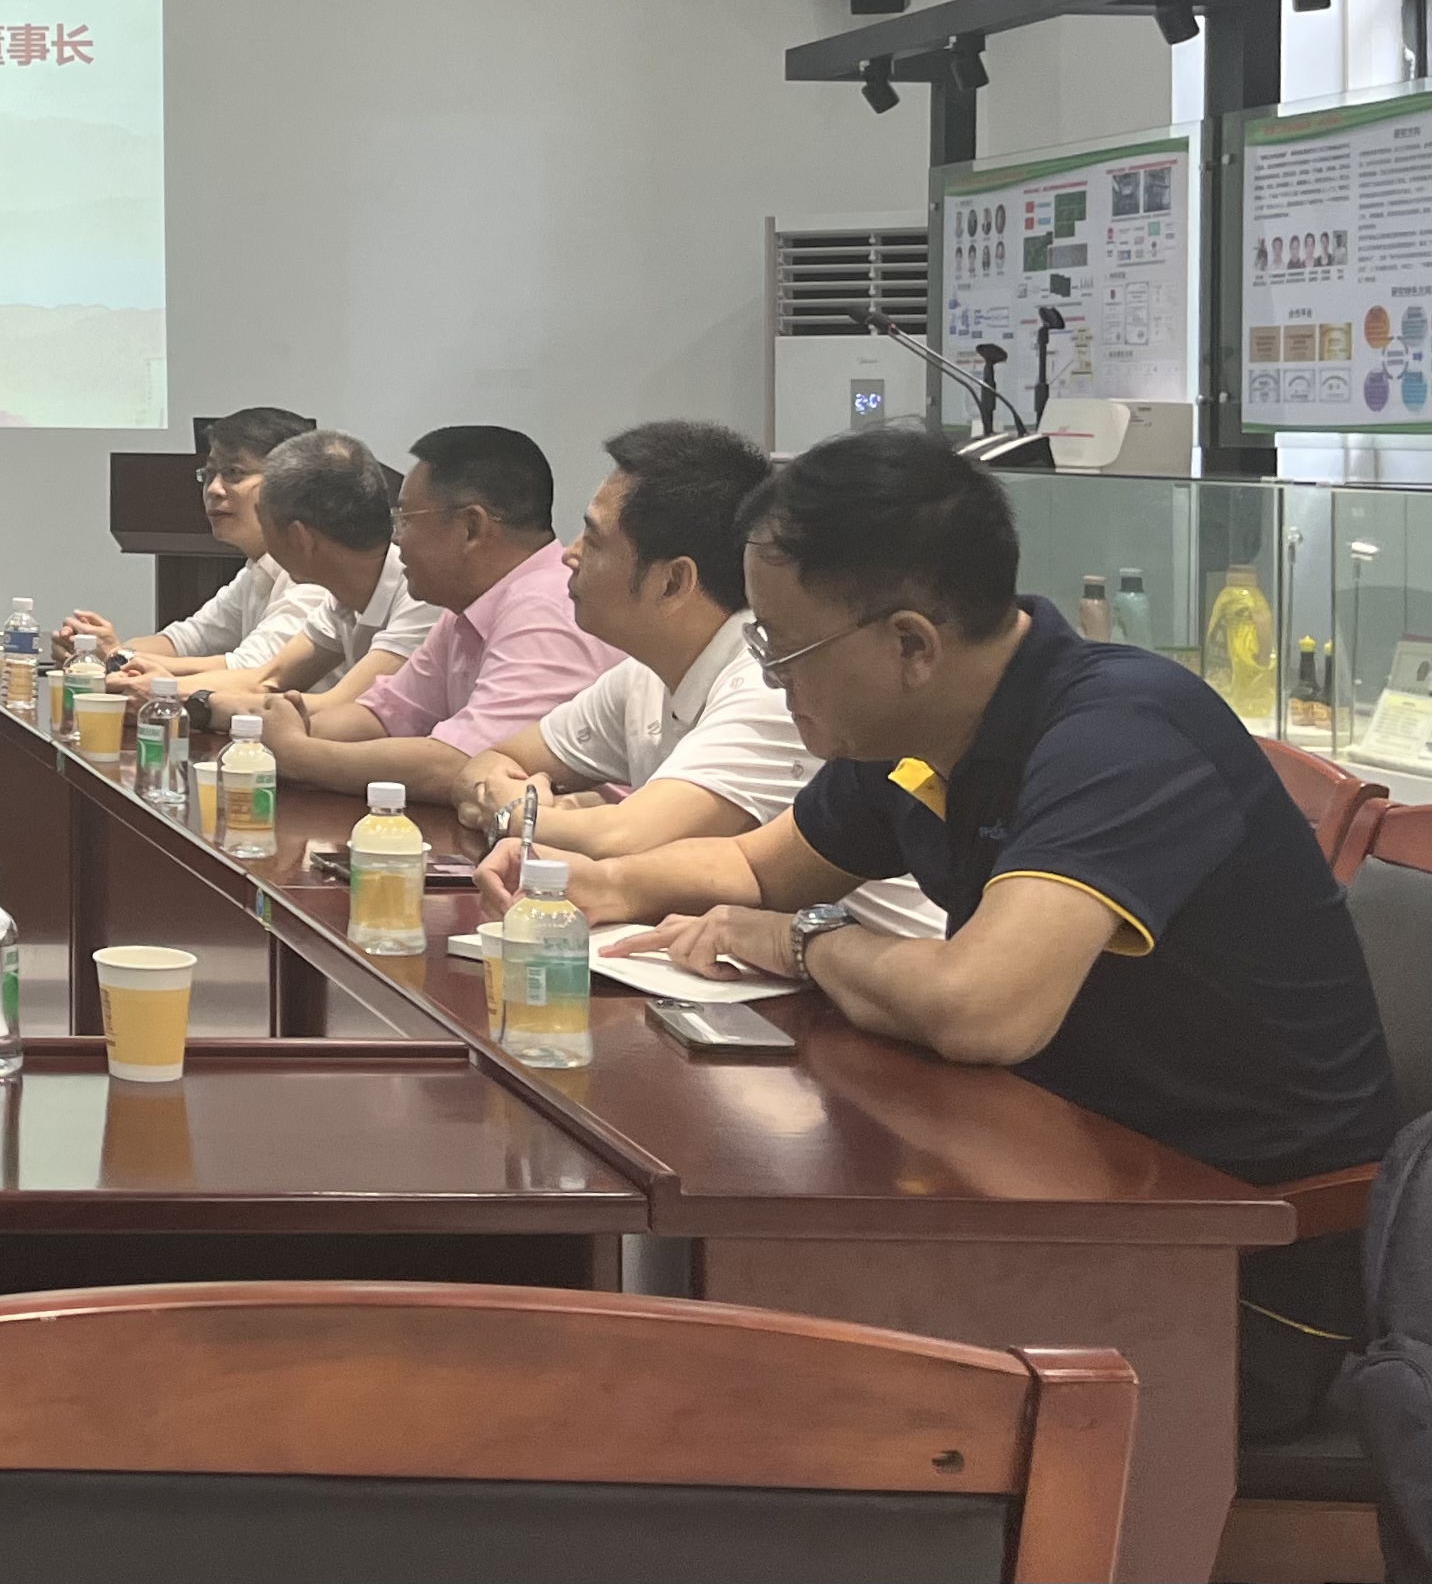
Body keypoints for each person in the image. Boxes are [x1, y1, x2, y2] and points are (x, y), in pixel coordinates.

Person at [494, 429, 1393, 1438]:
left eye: (783, 648)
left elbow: (982, 1009)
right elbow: (757, 866)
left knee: (724, 1380)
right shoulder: (921, 729)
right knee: (690, 1324)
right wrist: (599, 885)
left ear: (912, 644)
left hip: (1233, 1264)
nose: (773, 679)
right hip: (1050, 1177)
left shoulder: (1120, 735)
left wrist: (804, 942)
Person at [446, 422, 942, 940]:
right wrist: (590, 860)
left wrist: (521, 814)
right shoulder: (647, 672)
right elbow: (752, 867)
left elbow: (624, 840)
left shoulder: (770, 691)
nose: (569, 555)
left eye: (593, 539)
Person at [249, 424, 617, 803]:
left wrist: (299, 755)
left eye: (406, 519)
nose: (396, 538)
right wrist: (281, 731)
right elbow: (385, 716)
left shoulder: (547, 608)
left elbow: (463, 767)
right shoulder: (467, 609)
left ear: (470, 527)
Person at [59, 407, 334, 696]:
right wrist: (98, 651)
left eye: (233, 473)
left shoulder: (314, 577)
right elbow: (188, 639)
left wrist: (119, 658)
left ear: (288, 484)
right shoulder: (258, 570)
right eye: (210, 473)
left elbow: (251, 670)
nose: (214, 489)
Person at [195, 430, 441, 730]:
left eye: (263, 519)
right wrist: (158, 689)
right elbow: (267, 679)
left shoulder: (424, 596)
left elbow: (343, 708)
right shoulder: (341, 598)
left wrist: (204, 706)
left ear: (299, 538)